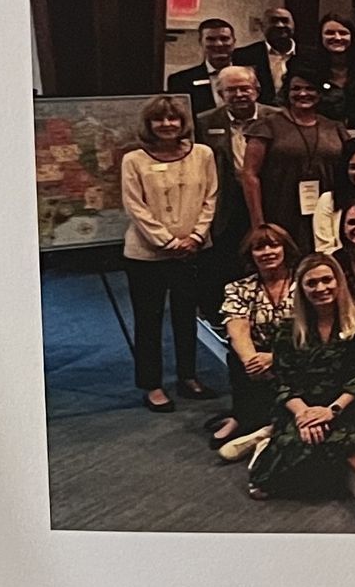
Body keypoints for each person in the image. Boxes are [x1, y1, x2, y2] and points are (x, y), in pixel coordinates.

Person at [244, 252, 355, 500]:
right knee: (261, 485)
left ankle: (270, 443)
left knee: (329, 451)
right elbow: (281, 380)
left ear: (338, 282)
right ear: (302, 288)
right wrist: (303, 414)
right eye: (312, 283)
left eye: (327, 280)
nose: (321, 288)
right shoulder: (288, 329)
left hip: (345, 406)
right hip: (302, 405)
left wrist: (332, 411)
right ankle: (272, 442)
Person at [121, 94, 218, 411]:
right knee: (148, 321)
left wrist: (195, 237)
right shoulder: (134, 160)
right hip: (147, 255)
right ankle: (152, 385)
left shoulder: (202, 154)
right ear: (149, 124)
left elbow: (210, 197)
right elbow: (135, 206)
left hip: (193, 250)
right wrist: (167, 242)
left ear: (183, 122)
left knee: (186, 317)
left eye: (172, 118)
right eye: (159, 120)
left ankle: (188, 377)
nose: (167, 124)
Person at [194, 64, 278, 321]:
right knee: (226, 261)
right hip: (225, 206)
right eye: (231, 90)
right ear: (220, 93)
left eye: (245, 88)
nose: (240, 94)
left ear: (257, 89)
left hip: (268, 199)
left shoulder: (276, 118)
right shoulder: (204, 121)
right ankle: (227, 316)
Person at [241, 59, 351, 251]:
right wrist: (258, 223)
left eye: (310, 89)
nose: (302, 94)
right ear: (287, 92)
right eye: (296, 89)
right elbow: (250, 174)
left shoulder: (335, 127)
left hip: (327, 214)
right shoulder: (267, 126)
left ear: (319, 93)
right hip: (280, 213)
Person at [211, 224, 297, 456]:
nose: (267, 252)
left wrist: (275, 358)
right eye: (259, 248)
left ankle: (266, 429)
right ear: (250, 254)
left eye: (274, 245)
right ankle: (242, 418)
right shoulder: (239, 288)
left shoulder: (305, 283)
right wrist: (253, 361)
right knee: (236, 354)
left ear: (285, 249)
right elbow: (237, 328)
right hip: (257, 359)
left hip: (297, 352)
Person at [167, 17, 237, 117]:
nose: (218, 44)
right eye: (211, 39)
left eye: (224, 38)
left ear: (234, 42)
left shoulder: (252, 75)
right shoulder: (180, 81)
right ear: (200, 42)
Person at [314, 13, 355, 127]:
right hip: (319, 137)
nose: (337, 37)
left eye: (343, 33)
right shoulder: (309, 70)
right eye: (329, 33)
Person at [233, 6, 298, 102]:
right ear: (262, 26)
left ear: (293, 25)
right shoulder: (243, 56)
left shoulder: (310, 56)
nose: (280, 25)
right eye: (273, 21)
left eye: (285, 21)